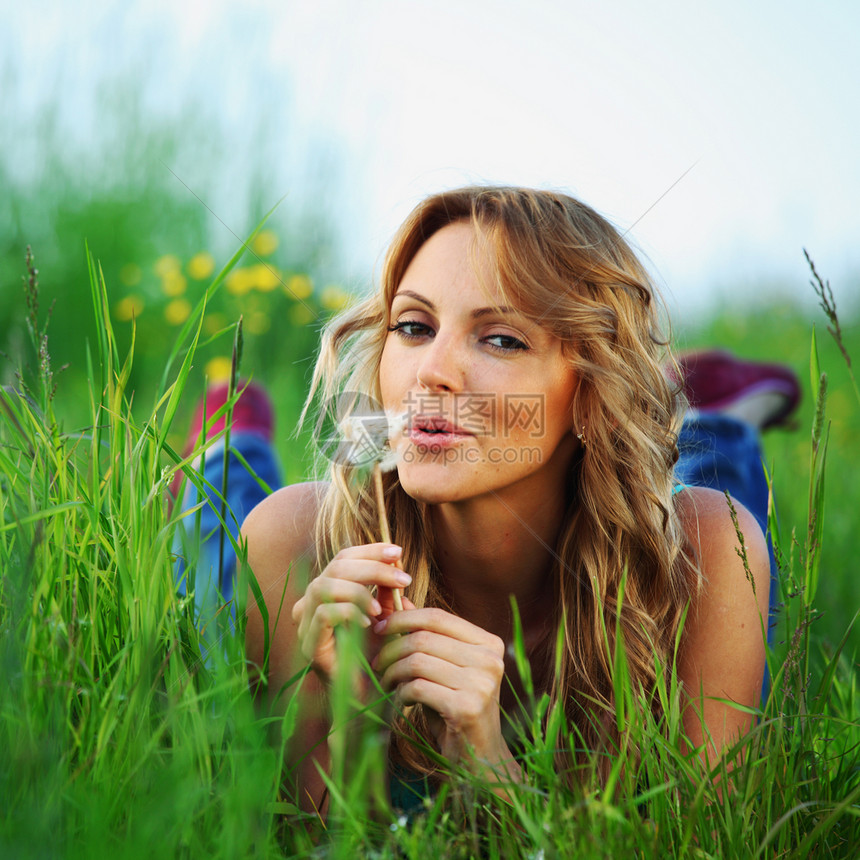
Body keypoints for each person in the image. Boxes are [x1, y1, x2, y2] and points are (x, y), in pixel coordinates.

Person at [177, 186, 799, 814]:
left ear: (592, 390)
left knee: (698, 497)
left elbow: (699, 838)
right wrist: (355, 706)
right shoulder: (298, 541)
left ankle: (708, 411)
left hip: (649, 493)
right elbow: (302, 837)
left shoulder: (706, 556)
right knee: (211, 573)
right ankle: (227, 442)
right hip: (284, 532)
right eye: (414, 327)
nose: (432, 371)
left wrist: (490, 767)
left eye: (500, 339)